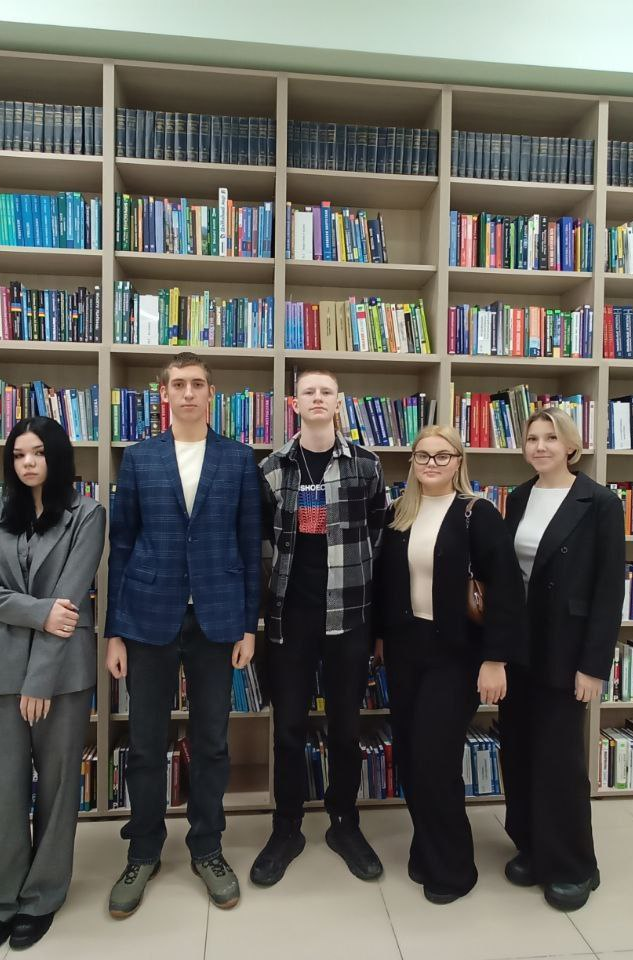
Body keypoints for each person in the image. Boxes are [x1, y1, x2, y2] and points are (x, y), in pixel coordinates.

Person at [104, 351, 261, 918]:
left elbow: (251, 547)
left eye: (197, 384)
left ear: (211, 393)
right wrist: (114, 632)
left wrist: (248, 625)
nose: (188, 392)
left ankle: (207, 847)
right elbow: (122, 544)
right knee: (146, 743)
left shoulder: (238, 458)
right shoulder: (139, 457)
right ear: (164, 393)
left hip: (217, 619)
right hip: (148, 616)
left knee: (212, 741)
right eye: (178, 384)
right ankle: (143, 850)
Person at [0, 416, 106, 954]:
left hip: (61, 671)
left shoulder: (87, 514)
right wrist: (38, 611)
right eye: (19, 454)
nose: (27, 462)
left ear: (57, 456)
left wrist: (40, 678)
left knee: (58, 787)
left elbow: (71, 599)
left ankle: (42, 895)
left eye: (38, 453)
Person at [374, 425, 522, 904]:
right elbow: (386, 582)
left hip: (457, 654)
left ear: (459, 461)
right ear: (412, 462)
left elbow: (505, 591)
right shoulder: (398, 513)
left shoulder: (478, 513)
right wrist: (381, 636)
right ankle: (426, 846)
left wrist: (495, 659)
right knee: (411, 756)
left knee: (435, 759)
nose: (432, 463)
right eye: (423, 455)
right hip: (405, 650)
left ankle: (454, 869)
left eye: (442, 455)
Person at [253, 369, 387, 887]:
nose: (316, 398)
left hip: (349, 616)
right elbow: (262, 543)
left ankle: (344, 823)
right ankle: (286, 827)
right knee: (288, 728)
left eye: (325, 392)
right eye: (307, 391)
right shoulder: (271, 469)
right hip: (290, 618)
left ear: (338, 402)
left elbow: (378, 535)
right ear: (294, 403)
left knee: (346, 728)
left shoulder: (366, 466)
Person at [499, 407, 624, 912]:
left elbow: (609, 590)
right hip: (520, 647)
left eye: (551, 437)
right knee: (520, 751)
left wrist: (594, 666)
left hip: (566, 649)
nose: (540, 446)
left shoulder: (600, 502)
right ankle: (532, 846)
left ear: (571, 445)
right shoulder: (518, 497)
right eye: (532, 438)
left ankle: (574, 865)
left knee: (560, 760)